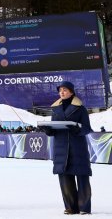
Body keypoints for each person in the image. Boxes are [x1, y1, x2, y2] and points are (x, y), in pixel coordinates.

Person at [43, 81, 92, 215]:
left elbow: (87, 129)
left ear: (71, 91)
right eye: (60, 90)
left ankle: (84, 207)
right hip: (60, 148)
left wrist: (77, 129)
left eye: (65, 90)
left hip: (77, 147)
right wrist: (48, 130)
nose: (62, 92)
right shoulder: (56, 109)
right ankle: (70, 207)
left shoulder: (80, 108)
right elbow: (54, 128)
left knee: (82, 177)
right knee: (64, 177)